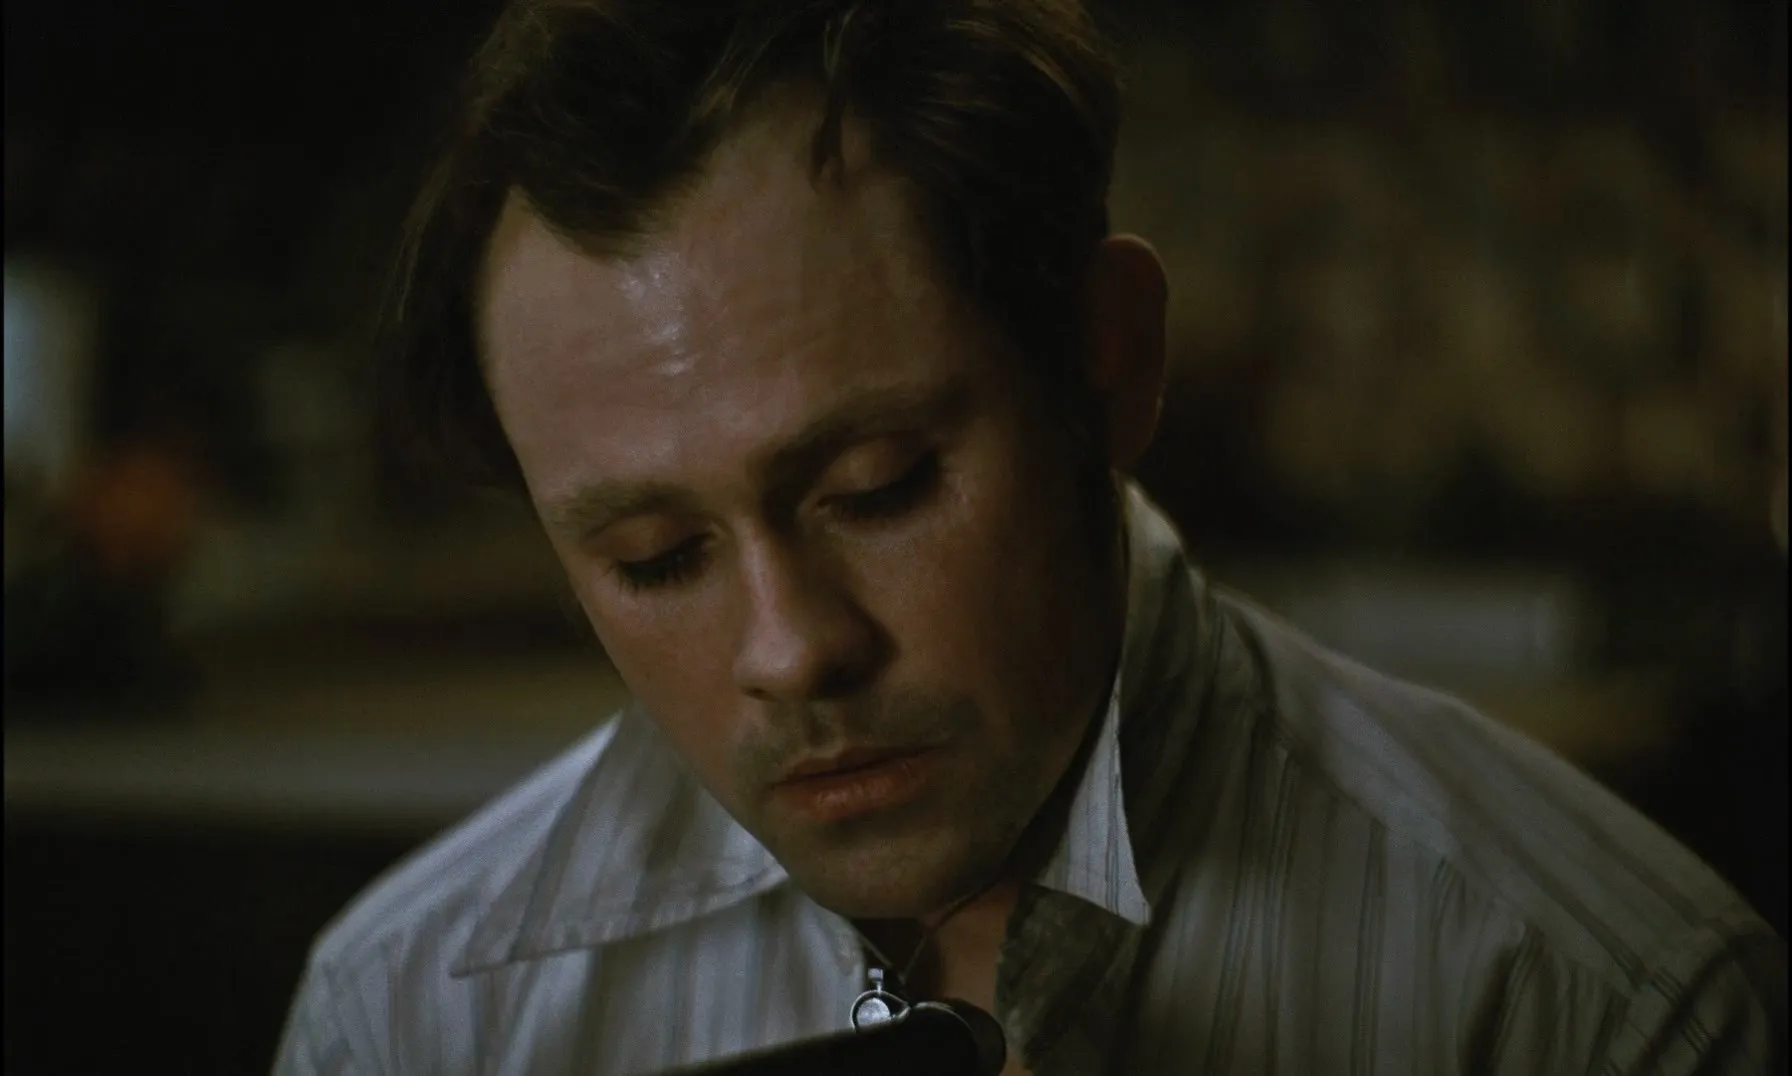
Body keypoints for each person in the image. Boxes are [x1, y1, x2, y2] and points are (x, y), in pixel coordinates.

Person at [272, 3, 1786, 1073]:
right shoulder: (410, 1017)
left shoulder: (1606, 1005)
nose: (791, 650)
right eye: (656, 557)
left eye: (877, 487)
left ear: (1108, 363)